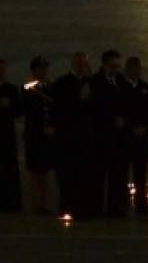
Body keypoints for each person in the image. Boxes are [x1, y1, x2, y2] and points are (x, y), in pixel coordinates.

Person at [52, 52, 97, 218]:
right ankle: (66, 206)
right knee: (66, 174)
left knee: (84, 174)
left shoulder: (91, 83)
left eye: (83, 63)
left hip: (85, 136)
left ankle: (82, 207)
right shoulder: (62, 83)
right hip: (67, 136)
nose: (81, 66)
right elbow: (59, 109)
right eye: (78, 63)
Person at [90, 49, 130, 217]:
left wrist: (123, 119)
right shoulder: (95, 82)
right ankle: (97, 207)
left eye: (118, 66)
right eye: (113, 66)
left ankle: (115, 207)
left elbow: (128, 103)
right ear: (105, 65)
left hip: (118, 137)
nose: (116, 69)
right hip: (101, 135)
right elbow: (94, 108)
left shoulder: (121, 81)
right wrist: (112, 119)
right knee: (98, 174)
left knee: (117, 174)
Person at [123, 57, 148, 215]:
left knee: (140, 172)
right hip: (125, 137)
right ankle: (122, 203)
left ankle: (141, 204)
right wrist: (130, 127)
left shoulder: (146, 88)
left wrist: (144, 126)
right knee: (122, 171)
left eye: (138, 68)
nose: (137, 71)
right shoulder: (121, 87)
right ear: (127, 69)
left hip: (142, 136)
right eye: (133, 68)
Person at [23, 56, 56, 214]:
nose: (43, 71)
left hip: (47, 135)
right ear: (34, 70)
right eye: (40, 68)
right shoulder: (28, 89)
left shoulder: (49, 87)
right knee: (34, 171)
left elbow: (54, 107)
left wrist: (51, 127)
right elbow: (29, 111)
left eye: (45, 68)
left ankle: (43, 204)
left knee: (45, 170)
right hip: (33, 135)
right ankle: (35, 204)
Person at [0, 58, 22, 211]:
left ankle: (9, 202)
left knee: (8, 167)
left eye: (2, 69)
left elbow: (18, 110)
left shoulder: (11, 88)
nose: (0, 71)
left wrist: (9, 106)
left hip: (6, 133)